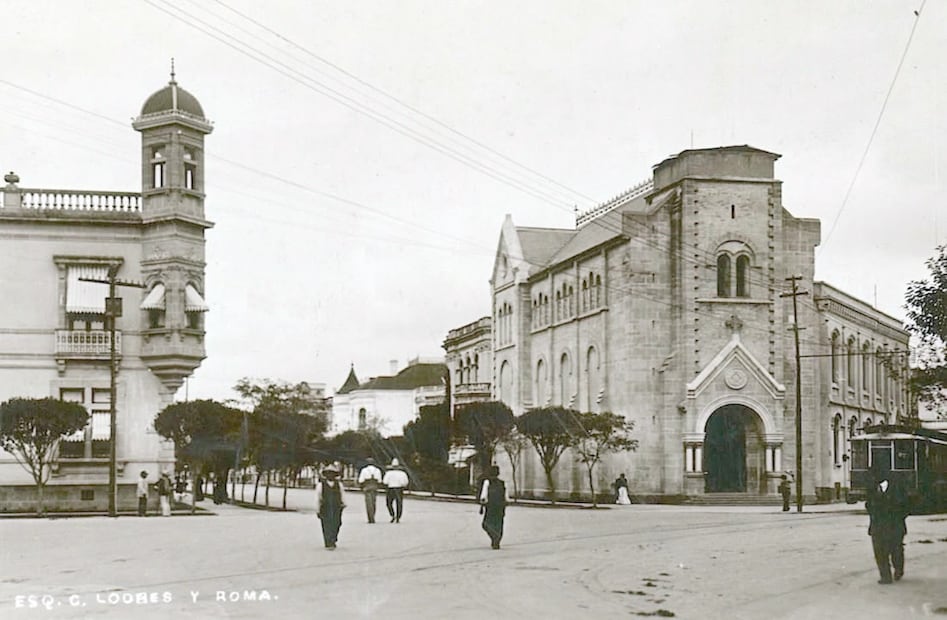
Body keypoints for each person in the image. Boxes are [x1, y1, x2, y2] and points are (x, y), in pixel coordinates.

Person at [865, 463, 909, 584]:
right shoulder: (872, 488)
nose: (872, 477)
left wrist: (898, 519)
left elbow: (906, 506)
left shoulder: (897, 488)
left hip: (895, 526)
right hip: (877, 526)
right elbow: (868, 505)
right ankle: (885, 576)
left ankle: (898, 569)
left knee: (896, 550)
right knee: (879, 551)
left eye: (874, 474)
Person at [314, 466, 347, 549]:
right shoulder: (321, 485)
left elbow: (342, 494)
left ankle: (333, 538)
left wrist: (344, 503)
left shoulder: (339, 484)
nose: (330, 475)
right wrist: (317, 509)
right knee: (326, 524)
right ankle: (328, 542)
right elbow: (318, 497)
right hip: (325, 507)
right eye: (328, 473)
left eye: (332, 473)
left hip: (336, 507)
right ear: (326, 475)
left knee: (337, 523)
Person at [479, 465, 508, 549]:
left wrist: (482, 503)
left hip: (490, 506)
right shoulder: (503, 482)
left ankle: (494, 537)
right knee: (498, 523)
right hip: (501, 506)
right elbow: (506, 496)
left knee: (486, 523)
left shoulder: (487, 482)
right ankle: (497, 539)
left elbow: (484, 495)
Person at [357, 457, 384, 524]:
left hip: (367, 487)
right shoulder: (377, 470)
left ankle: (370, 517)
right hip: (374, 486)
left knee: (368, 503)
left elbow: (361, 480)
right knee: (374, 502)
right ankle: (373, 515)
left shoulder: (364, 470)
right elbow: (380, 481)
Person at [382, 458, 410, 523]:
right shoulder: (403, 473)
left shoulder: (388, 473)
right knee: (399, 503)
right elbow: (405, 482)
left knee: (389, 503)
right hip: (399, 489)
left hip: (391, 488)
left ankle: (392, 514)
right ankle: (398, 517)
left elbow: (385, 482)